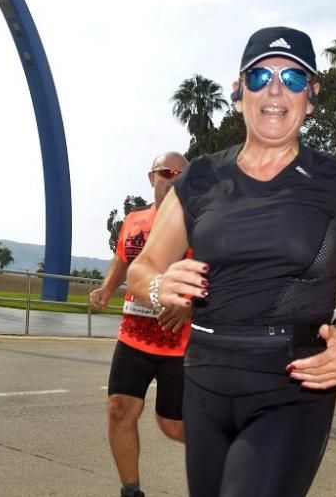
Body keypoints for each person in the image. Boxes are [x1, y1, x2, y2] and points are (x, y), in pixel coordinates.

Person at [126, 26, 336, 496]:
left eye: (293, 79)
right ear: (239, 93)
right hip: (206, 376)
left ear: (311, 97)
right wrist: (159, 286)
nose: (276, 90)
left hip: (294, 381)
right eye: (260, 77)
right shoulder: (200, 178)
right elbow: (143, 266)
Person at [89, 152, 190, 497]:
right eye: (167, 171)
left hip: (180, 343)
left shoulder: (199, 222)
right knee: (119, 408)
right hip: (133, 337)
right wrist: (106, 287)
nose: (174, 177)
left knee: (174, 425)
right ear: (152, 177)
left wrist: (190, 307)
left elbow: (217, 272)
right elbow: (123, 259)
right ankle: (131, 491)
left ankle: (230, 450)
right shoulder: (133, 220)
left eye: (182, 173)